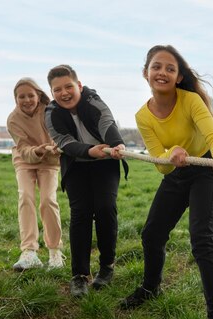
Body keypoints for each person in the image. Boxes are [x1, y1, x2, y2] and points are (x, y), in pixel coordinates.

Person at [119, 45, 213, 319]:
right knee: (151, 233)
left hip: (206, 168)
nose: (163, 72)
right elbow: (160, 164)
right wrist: (171, 154)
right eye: (157, 66)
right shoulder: (143, 116)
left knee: (201, 239)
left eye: (170, 68)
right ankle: (150, 287)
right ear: (146, 73)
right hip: (175, 173)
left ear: (178, 76)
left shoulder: (191, 100)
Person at [45, 65, 127, 298]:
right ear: (52, 93)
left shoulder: (93, 100)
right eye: (57, 89)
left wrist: (117, 144)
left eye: (69, 86)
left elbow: (106, 123)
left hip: (105, 163)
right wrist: (91, 151)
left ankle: (107, 267)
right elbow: (64, 141)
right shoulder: (50, 113)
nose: (64, 93)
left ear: (79, 86)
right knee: (80, 214)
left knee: (105, 208)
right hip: (77, 165)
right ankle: (79, 275)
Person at [7, 77, 64, 271]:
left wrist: (56, 147)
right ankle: (29, 252)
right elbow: (23, 148)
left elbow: (60, 134)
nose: (26, 100)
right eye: (21, 96)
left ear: (38, 96)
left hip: (49, 160)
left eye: (30, 95)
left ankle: (55, 252)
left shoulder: (50, 111)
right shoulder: (13, 119)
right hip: (25, 160)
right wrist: (39, 149)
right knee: (26, 197)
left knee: (48, 200)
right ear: (15, 99)